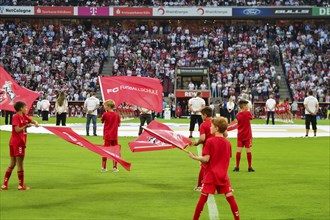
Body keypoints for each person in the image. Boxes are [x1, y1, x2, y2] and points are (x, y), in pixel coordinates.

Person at [189, 117, 240, 220]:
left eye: (212, 126)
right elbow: (227, 157)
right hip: (223, 175)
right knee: (230, 196)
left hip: (211, 174)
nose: (210, 128)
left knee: (203, 198)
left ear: (216, 128)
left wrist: (194, 157)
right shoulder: (227, 143)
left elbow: (206, 159)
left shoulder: (210, 141)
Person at [1, 101, 39, 190]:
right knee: (20, 164)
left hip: (14, 143)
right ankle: (21, 185)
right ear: (21, 109)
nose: (26, 109)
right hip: (18, 143)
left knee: (12, 164)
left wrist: (35, 123)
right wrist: (26, 126)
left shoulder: (23, 116)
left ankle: (5, 184)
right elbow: (17, 130)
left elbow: (31, 120)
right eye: (25, 108)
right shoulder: (16, 117)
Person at [192, 107, 214, 191]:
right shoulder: (217, 122)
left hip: (208, 148)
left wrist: (197, 143)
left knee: (204, 166)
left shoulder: (203, 125)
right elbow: (225, 134)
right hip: (219, 147)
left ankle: (200, 185)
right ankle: (223, 186)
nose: (201, 116)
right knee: (218, 166)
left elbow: (203, 138)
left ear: (205, 115)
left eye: (202, 115)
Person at [233, 99, 255, 172]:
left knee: (238, 151)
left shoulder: (238, 114)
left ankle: (237, 167)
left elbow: (236, 121)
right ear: (244, 106)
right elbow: (251, 118)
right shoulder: (247, 113)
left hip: (240, 135)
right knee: (248, 151)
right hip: (247, 135)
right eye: (247, 106)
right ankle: (249, 167)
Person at [101, 100, 121, 172]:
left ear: (108, 106)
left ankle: (104, 167)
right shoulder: (117, 115)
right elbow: (119, 124)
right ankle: (115, 167)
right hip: (114, 135)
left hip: (107, 135)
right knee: (115, 151)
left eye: (105, 106)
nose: (104, 107)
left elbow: (102, 120)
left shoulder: (105, 114)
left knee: (105, 151)